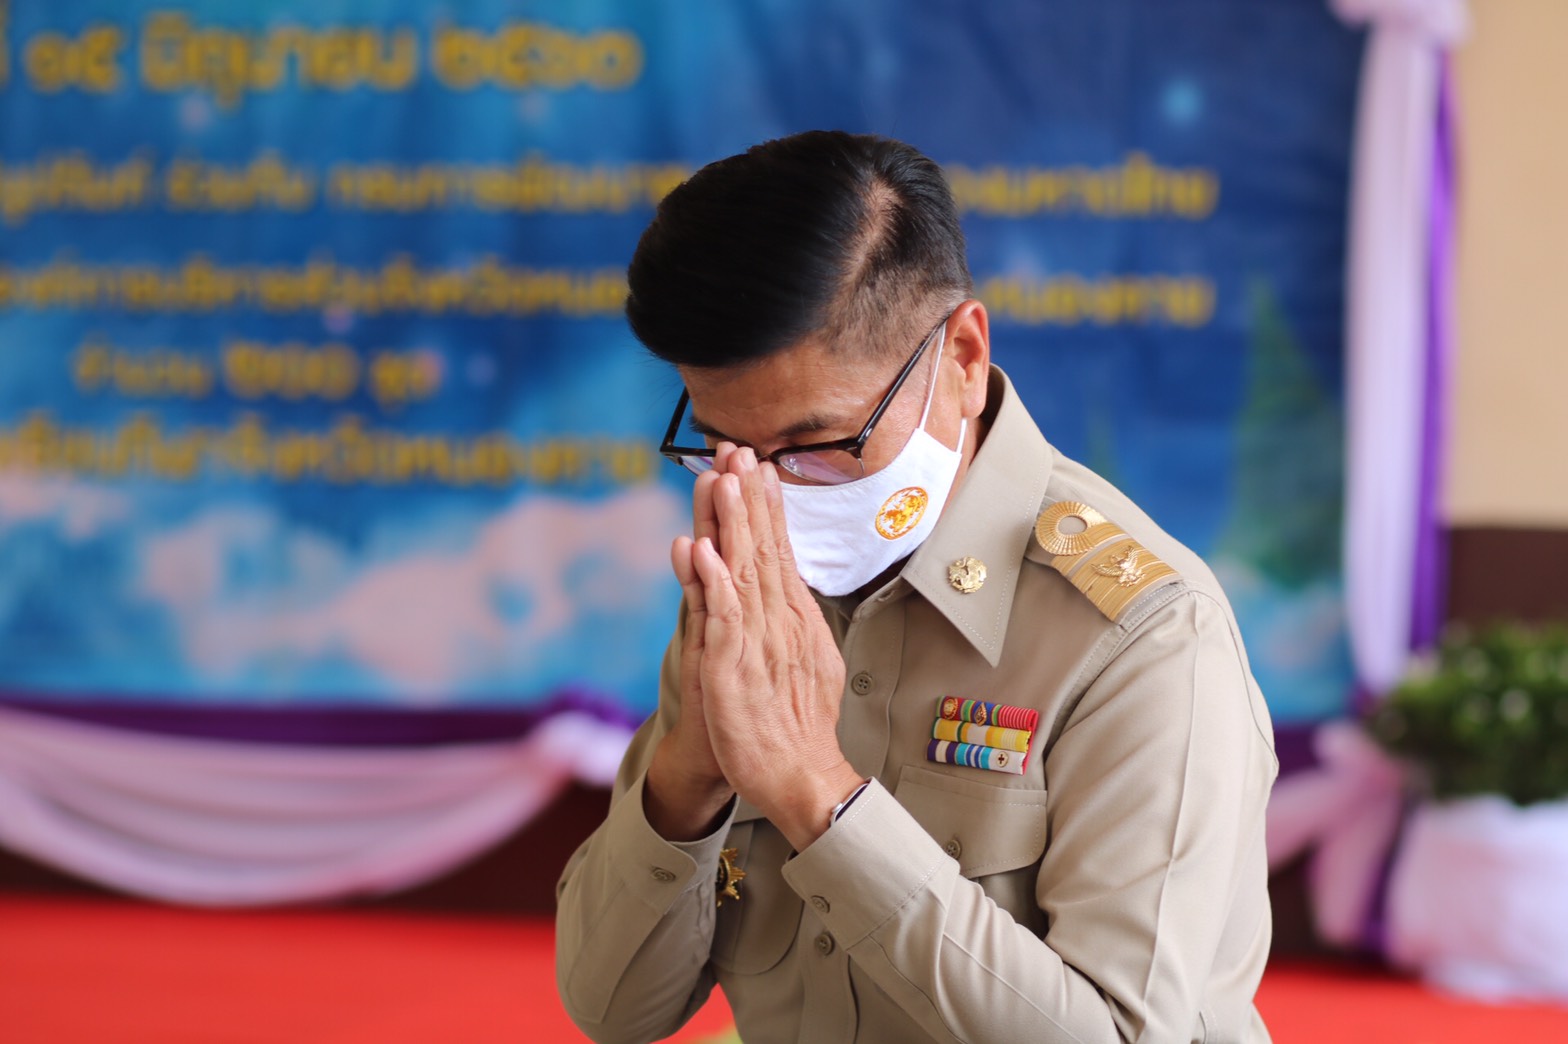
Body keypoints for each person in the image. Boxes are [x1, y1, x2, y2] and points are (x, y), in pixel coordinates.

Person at [555, 130, 1277, 1044]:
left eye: (819, 445)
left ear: (963, 360)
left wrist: (817, 793)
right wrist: (686, 778)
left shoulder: (1143, 633)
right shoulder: (759, 581)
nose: (774, 495)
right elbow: (612, 1009)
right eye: (729, 445)